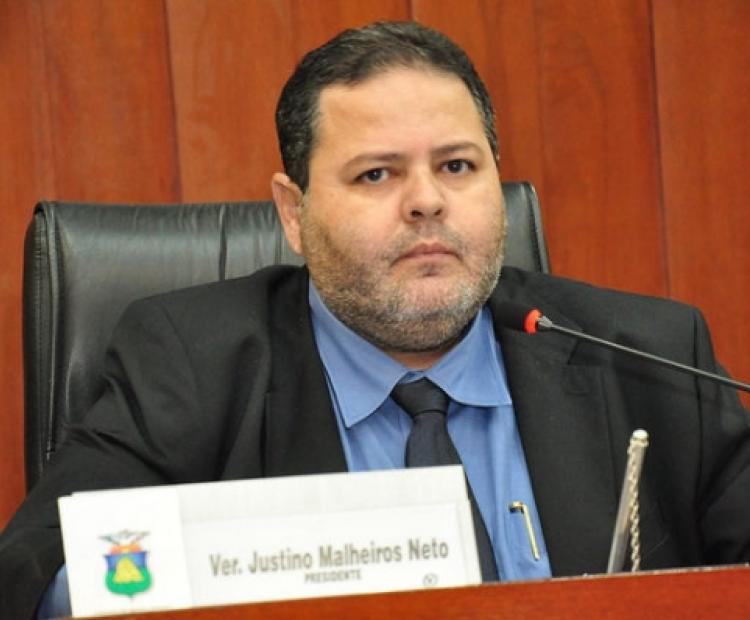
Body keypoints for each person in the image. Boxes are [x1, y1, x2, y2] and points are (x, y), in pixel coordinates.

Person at [2, 20, 750, 619]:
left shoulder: (649, 355)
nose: (426, 201)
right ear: (294, 213)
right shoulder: (192, 364)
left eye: (457, 166)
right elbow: (37, 578)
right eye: (376, 174)